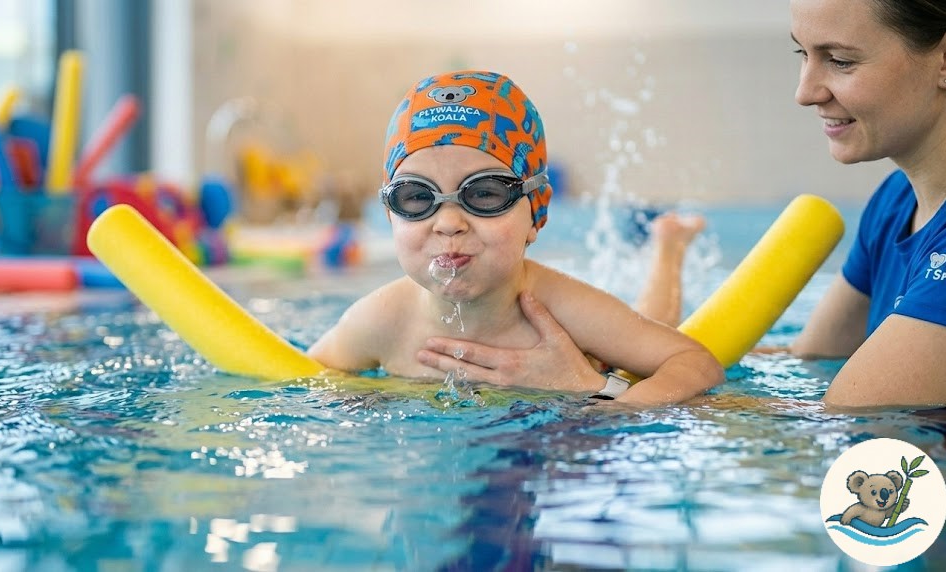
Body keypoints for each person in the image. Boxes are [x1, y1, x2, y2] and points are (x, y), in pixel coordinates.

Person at [418, 1, 946, 409]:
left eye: (840, 61)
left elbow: (827, 428)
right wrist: (626, 364)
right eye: (802, 55)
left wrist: (587, 389)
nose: (805, 92)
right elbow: (809, 362)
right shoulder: (896, 201)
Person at [307, 69, 724, 405]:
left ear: (536, 211)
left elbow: (693, 361)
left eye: (484, 193)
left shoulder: (562, 308)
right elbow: (306, 380)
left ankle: (668, 246)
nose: (448, 222)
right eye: (417, 197)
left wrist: (605, 399)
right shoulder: (380, 319)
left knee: (651, 328)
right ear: (389, 212)